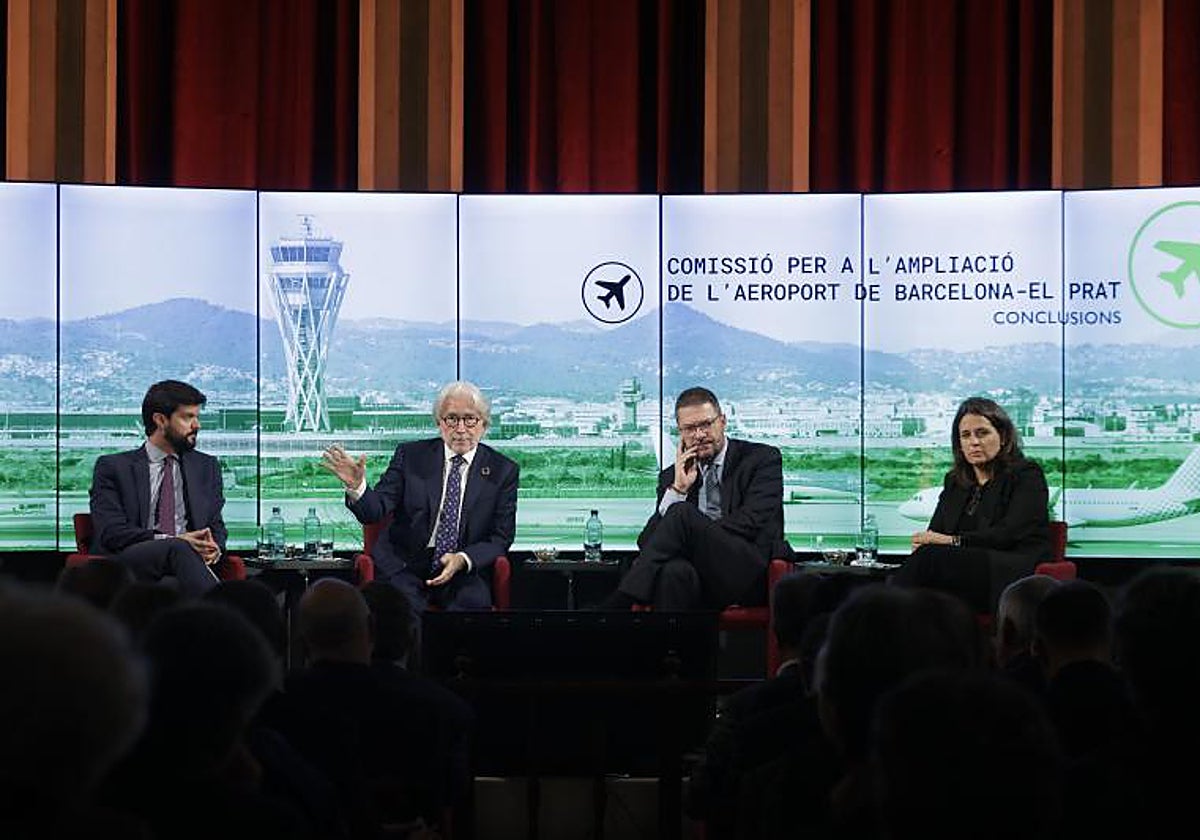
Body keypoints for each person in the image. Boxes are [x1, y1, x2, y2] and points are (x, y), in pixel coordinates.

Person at [322, 381, 518, 611]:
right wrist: (358, 486)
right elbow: (375, 511)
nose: (461, 428)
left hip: (464, 569)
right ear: (439, 423)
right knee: (400, 611)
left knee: (471, 608)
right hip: (406, 565)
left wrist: (462, 559)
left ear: (484, 424)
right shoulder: (411, 456)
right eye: (451, 419)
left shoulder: (502, 470)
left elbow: (500, 538)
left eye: (470, 419)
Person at [604, 386, 790, 611]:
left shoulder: (761, 459)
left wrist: (693, 531)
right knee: (674, 572)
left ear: (722, 421)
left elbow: (751, 522)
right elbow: (648, 543)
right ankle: (679, 647)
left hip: (747, 573)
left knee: (682, 515)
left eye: (706, 424)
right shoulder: (673, 476)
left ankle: (621, 601)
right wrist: (678, 490)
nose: (699, 434)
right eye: (690, 428)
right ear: (680, 432)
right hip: (697, 576)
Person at [893, 397, 1050, 613]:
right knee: (925, 559)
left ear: (1003, 437)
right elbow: (937, 532)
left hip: (1010, 571)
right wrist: (926, 541)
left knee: (927, 562)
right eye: (965, 436)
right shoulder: (955, 482)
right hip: (962, 572)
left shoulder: (1026, 475)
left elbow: (1009, 534)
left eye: (982, 433)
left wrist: (954, 542)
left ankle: (883, 617)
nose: (973, 442)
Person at [88, 379, 228, 596]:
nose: (196, 425)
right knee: (179, 548)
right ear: (160, 420)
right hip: (132, 560)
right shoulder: (113, 468)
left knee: (173, 581)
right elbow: (111, 533)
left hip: (187, 565)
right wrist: (173, 541)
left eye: (197, 417)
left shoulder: (206, 467)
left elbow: (215, 525)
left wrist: (214, 549)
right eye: (187, 417)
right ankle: (225, 615)